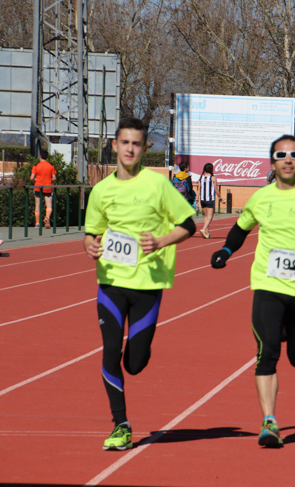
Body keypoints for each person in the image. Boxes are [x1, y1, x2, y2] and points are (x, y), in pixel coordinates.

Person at [210, 135, 295, 447]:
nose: (288, 159)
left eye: (294, 154)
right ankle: (269, 422)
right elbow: (241, 228)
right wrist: (226, 251)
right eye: (281, 155)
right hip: (267, 285)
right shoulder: (261, 198)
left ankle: (289, 331)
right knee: (267, 352)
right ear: (272, 162)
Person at [83, 117, 197, 451]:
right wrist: (89, 245)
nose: (130, 149)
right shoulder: (102, 191)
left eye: (137, 143)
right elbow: (91, 232)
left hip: (148, 284)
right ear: (114, 145)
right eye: (125, 142)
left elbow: (188, 224)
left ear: (144, 149)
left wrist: (161, 242)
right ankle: (121, 424)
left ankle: (139, 351)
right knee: (109, 352)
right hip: (112, 282)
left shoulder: (158, 185)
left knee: (135, 363)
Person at [30, 149, 57, 229]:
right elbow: (54, 178)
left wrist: (35, 181)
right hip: (48, 187)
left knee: (37, 204)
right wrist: (49, 180)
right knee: (49, 205)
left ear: (40, 156)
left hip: (38, 187)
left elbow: (32, 177)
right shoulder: (51, 165)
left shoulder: (36, 165)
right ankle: (47, 217)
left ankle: (37, 223)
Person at [197, 163, 223, 238]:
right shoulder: (213, 178)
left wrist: (197, 199)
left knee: (206, 216)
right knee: (210, 217)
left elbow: (198, 190)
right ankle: (204, 229)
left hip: (202, 199)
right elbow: (216, 190)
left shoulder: (201, 177)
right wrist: (220, 198)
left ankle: (207, 233)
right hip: (210, 199)